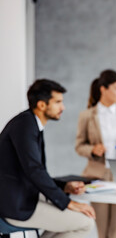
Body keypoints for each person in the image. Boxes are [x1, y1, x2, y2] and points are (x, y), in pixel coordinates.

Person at [0, 79, 95, 238]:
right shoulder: (25, 125)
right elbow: (34, 170)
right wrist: (68, 203)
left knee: (78, 220)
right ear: (42, 105)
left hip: (23, 198)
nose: (62, 107)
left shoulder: (30, 123)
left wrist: (64, 187)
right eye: (57, 102)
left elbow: (33, 171)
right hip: (15, 206)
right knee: (85, 223)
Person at [75, 69, 116, 238]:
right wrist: (92, 150)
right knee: (102, 231)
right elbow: (79, 146)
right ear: (103, 88)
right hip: (97, 177)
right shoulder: (87, 116)